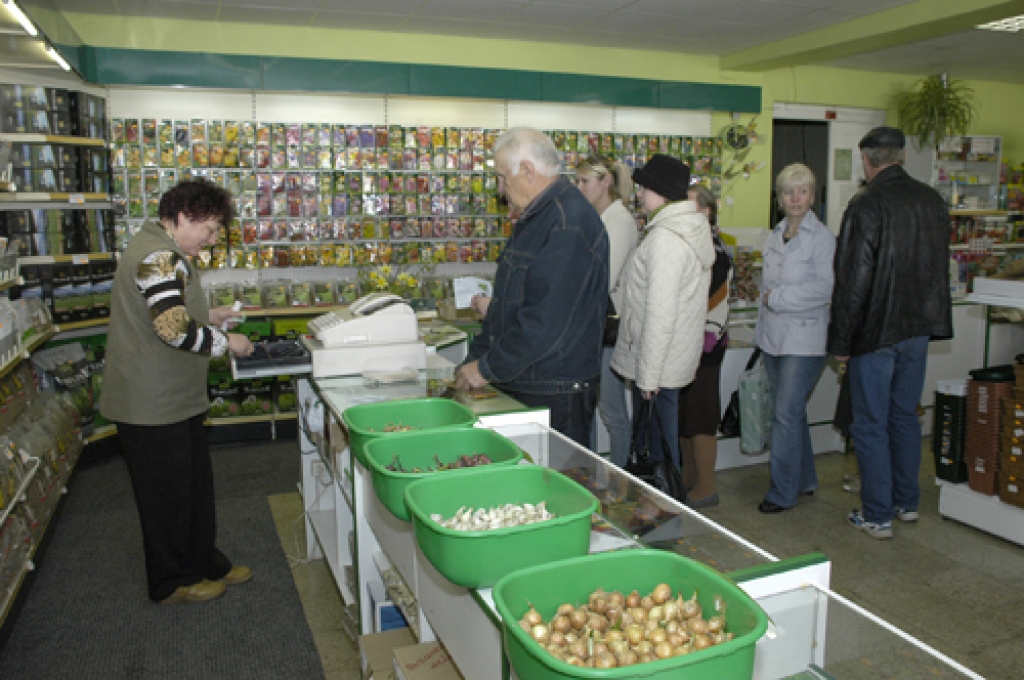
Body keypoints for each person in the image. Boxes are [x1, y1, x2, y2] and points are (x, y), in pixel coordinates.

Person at [100, 180, 255, 604]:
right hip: (151, 404)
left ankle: (204, 560)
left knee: (193, 488)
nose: (212, 238)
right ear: (183, 216)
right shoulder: (157, 256)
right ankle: (171, 581)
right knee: (166, 497)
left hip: (172, 399)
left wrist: (210, 315)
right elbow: (171, 327)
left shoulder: (163, 251)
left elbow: (171, 312)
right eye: (209, 228)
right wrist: (228, 344)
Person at [829, 126, 952, 539]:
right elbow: (937, 271)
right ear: (900, 156)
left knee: (869, 423)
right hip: (916, 329)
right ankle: (907, 503)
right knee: (904, 417)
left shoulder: (867, 204)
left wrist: (842, 343)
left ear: (867, 160)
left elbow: (853, 278)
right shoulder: (931, 200)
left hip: (875, 332)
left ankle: (877, 514)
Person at [455, 127, 608, 447]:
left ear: (527, 170)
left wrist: (485, 368)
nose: (500, 189)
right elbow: (508, 307)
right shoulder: (538, 218)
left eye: (501, 177)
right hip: (529, 382)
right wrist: (476, 360)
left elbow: (544, 322)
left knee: (553, 490)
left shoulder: (569, 224)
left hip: (554, 393)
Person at [612, 154, 714, 502]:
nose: (639, 194)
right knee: (662, 448)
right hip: (672, 361)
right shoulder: (684, 231)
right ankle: (663, 513)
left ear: (659, 191)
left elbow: (660, 313)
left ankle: (662, 521)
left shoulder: (666, 240)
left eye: (644, 187)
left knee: (658, 454)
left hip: (657, 365)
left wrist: (648, 377)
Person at [756, 163, 835, 514]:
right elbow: (765, 287)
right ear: (780, 198)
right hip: (773, 337)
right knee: (791, 413)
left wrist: (778, 298)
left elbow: (824, 288)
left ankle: (781, 492)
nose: (796, 198)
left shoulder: (822, 238)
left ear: (813, 196)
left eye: (802, 191)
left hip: (805, 340)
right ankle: (804, 479)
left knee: (785, 415)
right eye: (789, 191)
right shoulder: (774, 236)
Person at [574, 154, 638, 468]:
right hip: (593, 329)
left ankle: (622, 479)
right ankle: (596, 476)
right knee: (593, 410)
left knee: (613, 412)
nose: (579, 187)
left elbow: (601, 279)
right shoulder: (597, 219)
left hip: (611, 332)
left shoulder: (620, 222)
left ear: (605, 182)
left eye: (585, 181)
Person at [677, 184, 732, 509]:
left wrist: (701, 344)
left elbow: (715, 302)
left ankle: (706, 486)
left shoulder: (715, 251)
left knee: (701, 419)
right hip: (688, 346)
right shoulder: (693, 245)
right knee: (685, 419)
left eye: (691, 206)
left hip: (705, 349)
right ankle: (688, 478)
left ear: (707, 212)